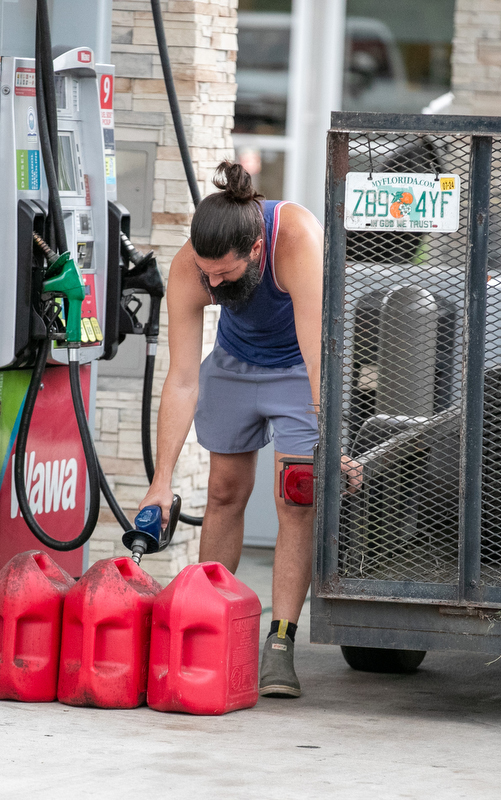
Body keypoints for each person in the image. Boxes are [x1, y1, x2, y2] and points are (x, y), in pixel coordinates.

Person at [139, 160, 325, 698]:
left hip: (299, 368)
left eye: (225, 274)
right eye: (207, 274)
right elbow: (181, 379)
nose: (213, 284)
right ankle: (211, 623)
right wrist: (161, 482)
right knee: (223, 491)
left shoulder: (297, 238)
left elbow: (318, 355)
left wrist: (333, 438)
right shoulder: (191, 267)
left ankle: (280, 642)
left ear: (257, 250)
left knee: (296, 499)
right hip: (234, 364)